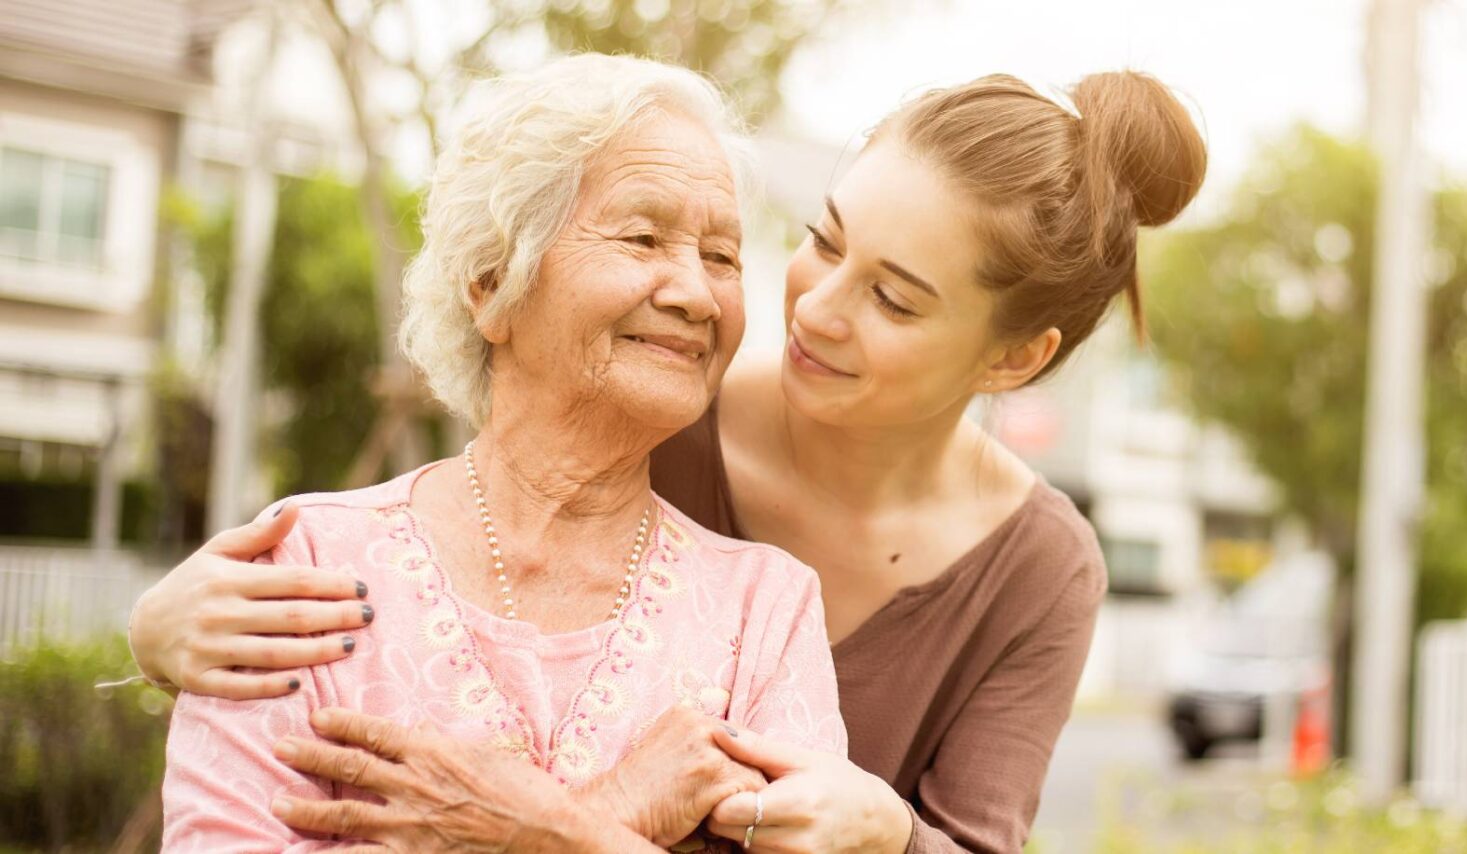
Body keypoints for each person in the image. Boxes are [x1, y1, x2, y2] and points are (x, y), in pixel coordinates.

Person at [134, 61, 1207, 853]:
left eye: (889, 296)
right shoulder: (647, 398)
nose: (810, 310)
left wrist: (885, 827)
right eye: (823, 241)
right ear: (492, 280)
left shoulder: (847, 592)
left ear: (1013, 357)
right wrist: (148, 629)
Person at [158, 54, 844, 852]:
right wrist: (603, 820)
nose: (695, 293)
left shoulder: (766, 610)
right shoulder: (302, 568)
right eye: (642, 236)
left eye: (722, 256)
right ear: (491, 284)